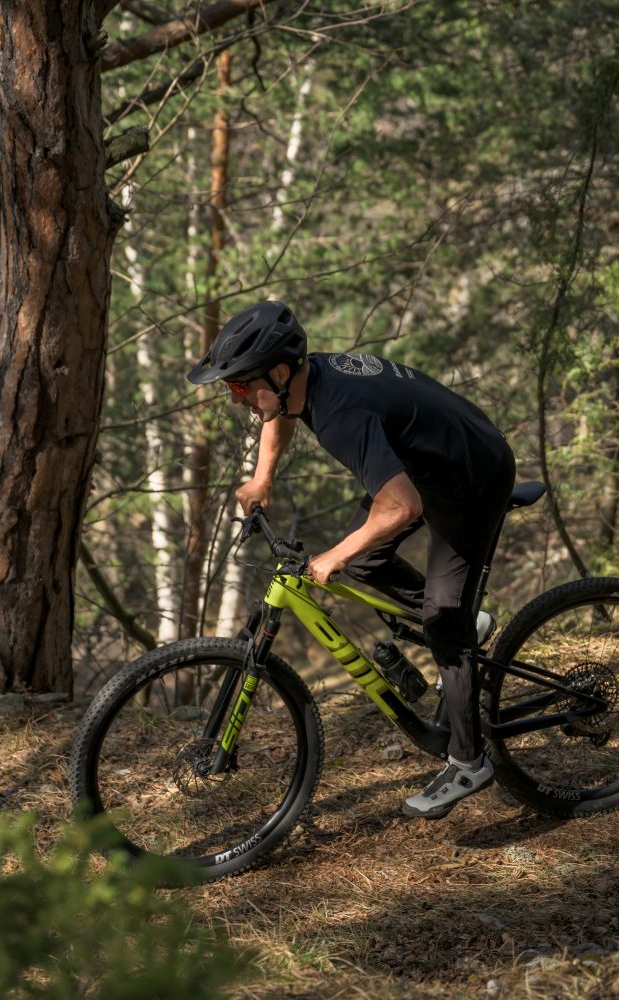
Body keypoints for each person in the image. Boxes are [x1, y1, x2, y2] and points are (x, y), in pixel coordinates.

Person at [187, 300, 516, 819]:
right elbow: (280, 414)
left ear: (277, 372)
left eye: (240, 387)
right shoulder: (303, 381)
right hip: (426, 462)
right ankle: (467, 622)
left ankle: (469, 760)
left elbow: (401, 506)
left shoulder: (342, 414)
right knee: (367, 564)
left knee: (440, 624)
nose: (238, 400)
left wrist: (334, 553)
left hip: (470, 476)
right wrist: (262, 477)